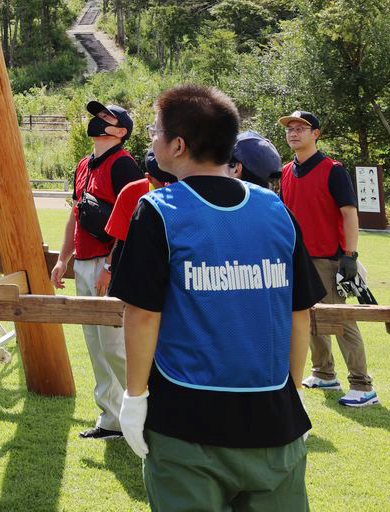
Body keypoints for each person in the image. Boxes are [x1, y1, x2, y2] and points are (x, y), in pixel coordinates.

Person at [112, 85, 324, 509]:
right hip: (274, 419)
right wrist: (294, 388)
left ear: (177, 145)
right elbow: (300, 313)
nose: (152, 140)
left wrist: (134, 398)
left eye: (156, 132)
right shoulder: (275, 208)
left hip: (186, 426)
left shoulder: (158, 209)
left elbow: (141, 316)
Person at [51, 100, 141, 440]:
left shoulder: (123, 165)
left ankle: (146, 411)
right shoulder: (83, 164)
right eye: (98, 115)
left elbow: (132, 223)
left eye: (107, 117)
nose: (98, 120)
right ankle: (111, 419)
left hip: (108, 263)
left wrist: (110, 266)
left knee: (115, 346)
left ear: (120, 132)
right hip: (86, 264)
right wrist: (63, 258)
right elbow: (76, 213)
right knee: (95, 344)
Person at [278, 109, 378, 407]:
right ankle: (324, 373)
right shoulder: (285, 171)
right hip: (299, 258)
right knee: (307, 318)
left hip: (328, 259)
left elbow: (349, 214)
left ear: (316, 134)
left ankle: (363, 385)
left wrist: (349, 255)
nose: (293, 132)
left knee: (340, 320)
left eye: (301, 128)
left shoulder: (333, 169)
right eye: (290, 128)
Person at [98, 148, 176, 296]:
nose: (169, 187)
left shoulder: (185, 191)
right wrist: (107, 268)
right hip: (138, 274)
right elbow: (120, 240)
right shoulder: (130, 192)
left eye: (173, 181)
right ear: (149, 178)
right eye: (164, 182)